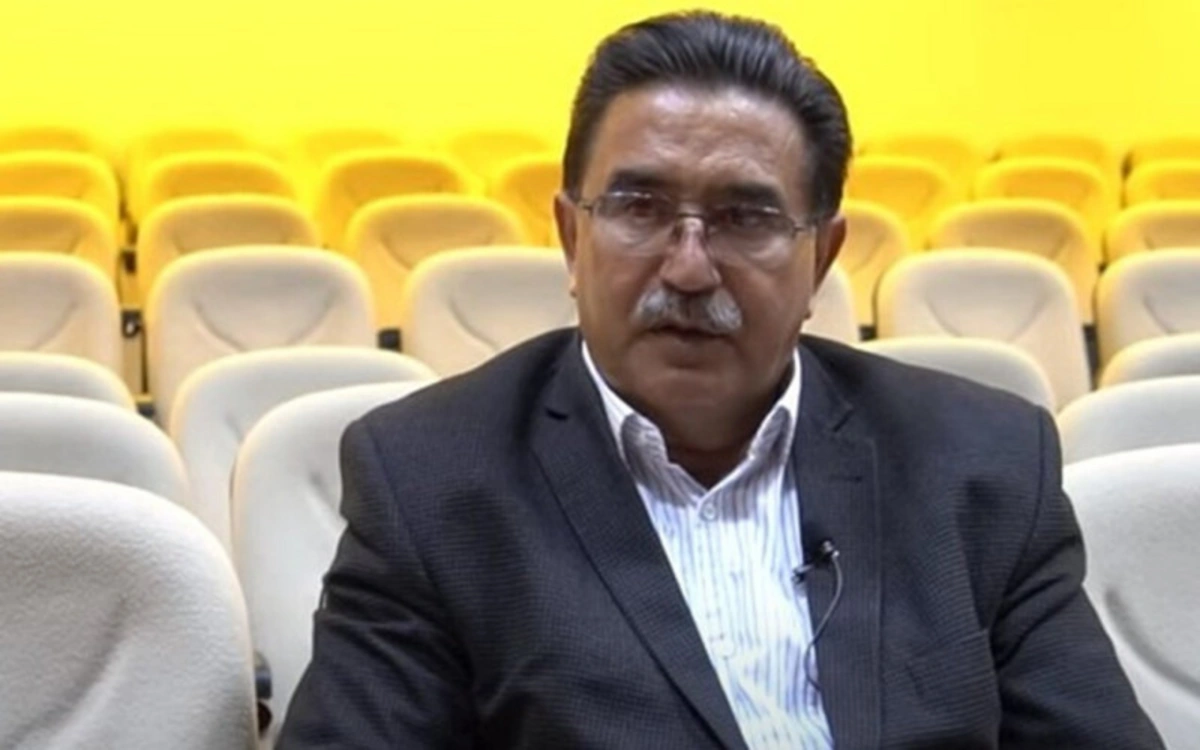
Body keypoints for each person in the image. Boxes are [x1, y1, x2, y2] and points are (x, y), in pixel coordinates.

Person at [279, 11, 1164, 749]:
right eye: (639, 208)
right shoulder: (429, 481)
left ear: (822, 259)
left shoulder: (982, 465)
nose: (690, 268)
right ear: (571, 238)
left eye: (745, 218)